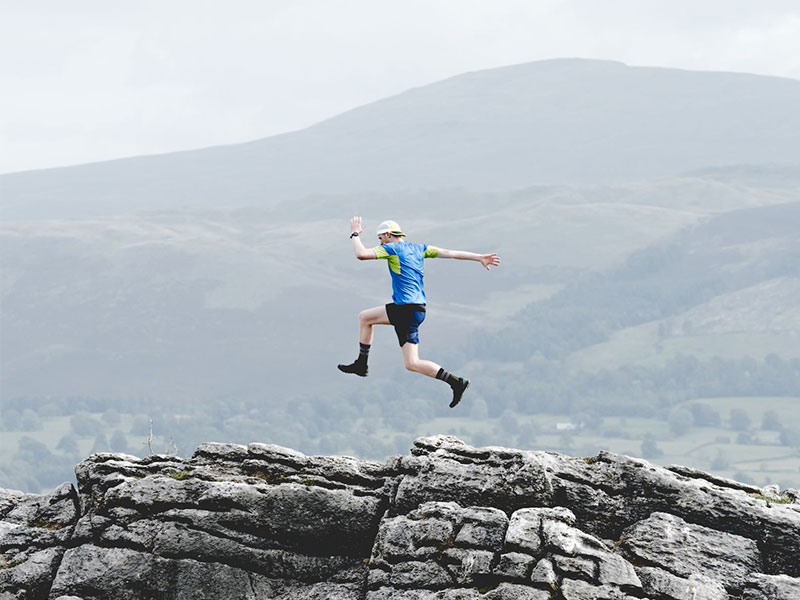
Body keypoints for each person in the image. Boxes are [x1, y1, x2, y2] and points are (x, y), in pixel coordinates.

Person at [338, 216, 501, 408]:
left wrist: (354, 234)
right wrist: (479, 257)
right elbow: (450, 253)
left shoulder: (391, 248)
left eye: (381, 239)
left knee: (406, 357)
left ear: (388, 235)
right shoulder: (419, 248)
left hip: (405, 309)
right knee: (371, 322)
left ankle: (455, 382)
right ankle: (362, 364)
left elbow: (361, 254)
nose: (380, 243)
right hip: (416, 309)